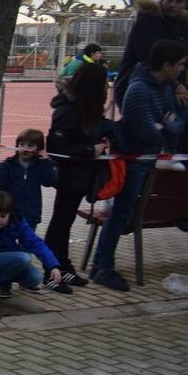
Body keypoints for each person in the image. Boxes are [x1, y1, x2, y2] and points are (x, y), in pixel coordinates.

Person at [92, 39, 188, 290]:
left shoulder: (165, 87)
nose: (181, 70)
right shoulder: (139, 90)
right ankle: (103, 265)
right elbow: (148, 130)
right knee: (121, 213)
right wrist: (165, 125)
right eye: (179, 65)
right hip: (133, 160)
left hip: (149, 159)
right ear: (166, 65)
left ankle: (102, 263)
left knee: (125, 213)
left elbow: (175, 126)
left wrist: (165, 126)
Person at [44, 62, 115, 287]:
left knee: (64, 221)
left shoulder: (87, 109)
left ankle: (61, 265)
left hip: (82, 174)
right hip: (71, 174)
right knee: (61, 222)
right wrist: (89, 150)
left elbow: (98, 128)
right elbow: (56, 148)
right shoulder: (68, 111)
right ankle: (55, 268)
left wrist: (104, 139)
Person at [0, 190, 64, 299]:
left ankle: (6, 279)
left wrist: (53, 266)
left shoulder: (18, 223)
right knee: (24, 258)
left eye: (3, 216)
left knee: (36, 278)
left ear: (10, 214)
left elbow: (36, 244)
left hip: (11, 258)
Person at [113, 0, 188, 108]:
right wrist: (175, 86)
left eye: (179, 1)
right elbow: (148, 59)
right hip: (137, 86)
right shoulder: (147, 20)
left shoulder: (183, 25)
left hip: (171, 89)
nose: (172, 4)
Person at [0, 129, 58, 230]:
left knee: (27, 242)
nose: (25, 149)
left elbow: (49, 182)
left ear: (38, 149)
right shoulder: (7, 165)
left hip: (30, 213)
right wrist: (1, 208)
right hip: (9, 213)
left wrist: (46, 162)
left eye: (30, 146)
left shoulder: (41, 165)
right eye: (21, 144)